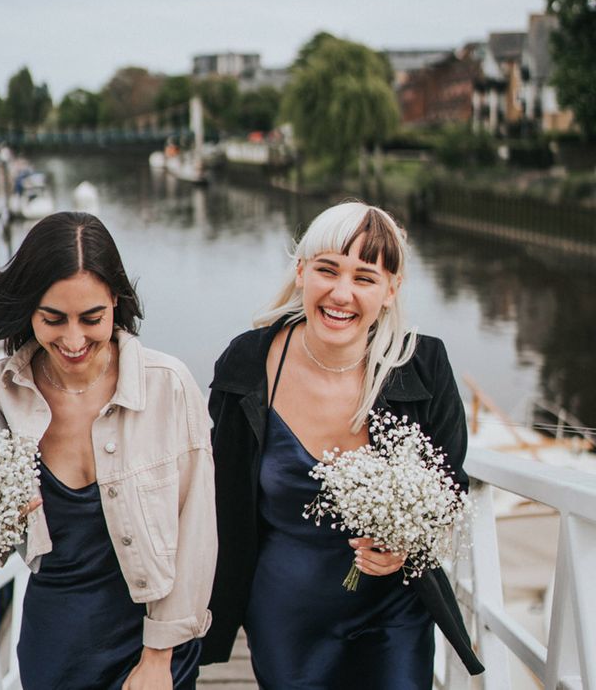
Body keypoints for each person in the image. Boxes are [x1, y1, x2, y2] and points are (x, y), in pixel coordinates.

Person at [200, 202, 483, 688]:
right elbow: (217, 488)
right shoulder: (248, 362)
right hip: (286, 613)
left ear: (391, 290)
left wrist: (403, 546)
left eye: (365, 277)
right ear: (301, 271)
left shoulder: (424, 364)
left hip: (393, 610)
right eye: (327, 270)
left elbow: (449, 483)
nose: (341, 293)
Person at [0, 212, 216, 689]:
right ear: (30, 309)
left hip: (152, 638)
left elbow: (198, 532)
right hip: (56, 640)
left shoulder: (169, 385)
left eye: (91, 318)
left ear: (115, 302)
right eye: (53, 319)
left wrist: (159, 658)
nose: (73, 340)